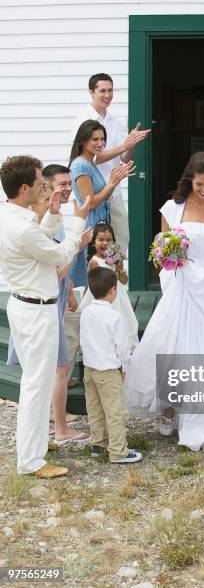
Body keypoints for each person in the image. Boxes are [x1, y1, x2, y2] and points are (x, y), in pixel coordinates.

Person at [125, 151, 204, 453]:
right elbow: (160, 251)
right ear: (190, 180)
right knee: (172, 345)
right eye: (200, 184)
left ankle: (201, 412)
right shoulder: (172, 209)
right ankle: (169, 408)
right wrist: (170, 263)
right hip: (181, 285)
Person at [0, 155, 89, 478]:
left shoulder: (11, 215)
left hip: (28, 306)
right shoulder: (21, 228)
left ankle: (35, 442)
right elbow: (59, 254)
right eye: (40, 183)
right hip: (36, 312)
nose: (45, 187)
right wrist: (78, 221)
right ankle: (30, 461)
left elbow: (38, 241)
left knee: (35, 381)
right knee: (37, 385)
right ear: (25, 188)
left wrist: (52, 214)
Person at [71, 72, 150, 249]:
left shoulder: (114, 121)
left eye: (111, 90)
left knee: (121, 240)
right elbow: (89, 157)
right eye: (102, 90)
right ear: (91, 92)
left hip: (113, 191)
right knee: (95, 246)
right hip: (95, 191)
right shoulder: (83, 120)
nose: (107, 95)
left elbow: (124, 157)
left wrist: (131, 144)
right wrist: (123, 146)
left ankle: (114, 274)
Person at [80, 267, 143, 463]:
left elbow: (84, 340)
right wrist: (124, 368)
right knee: (116, 413)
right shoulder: (115, 317)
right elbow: (122, 348)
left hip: (89, 370)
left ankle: (97, 444)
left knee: (95, 409)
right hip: (108, 372)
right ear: (113, 290)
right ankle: (118, 451)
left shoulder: (86, 312)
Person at [69, 119, 136, 287]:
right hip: (92, 226)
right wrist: (112, 182)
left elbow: (103, 196)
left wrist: (117, 179)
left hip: (101, 223)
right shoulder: (81, 165)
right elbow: (90, 203)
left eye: (102, 139)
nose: (100, 143)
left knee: (101, 275)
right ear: (83, 140)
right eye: (95, 139)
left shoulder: (90, 162)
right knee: (94, 277)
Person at [80, 222, 139, 351]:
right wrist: (113, 269)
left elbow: (124, 281)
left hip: (118, 296)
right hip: (103, 298)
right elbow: (101, 284)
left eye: (109, 240)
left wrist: (120, 269)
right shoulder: (94, 262)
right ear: (94, 243)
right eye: (101, 240)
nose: (105, 243)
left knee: (125, 325)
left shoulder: (115, 258)